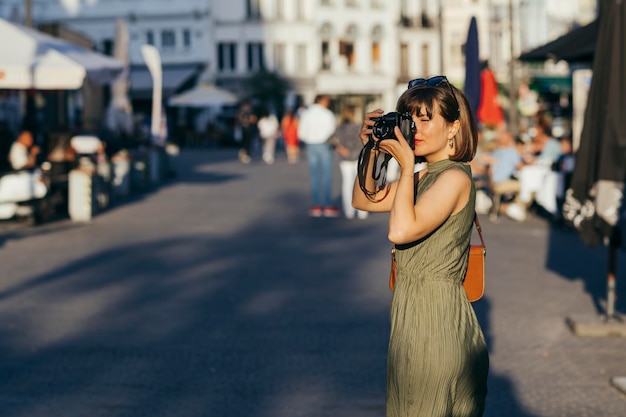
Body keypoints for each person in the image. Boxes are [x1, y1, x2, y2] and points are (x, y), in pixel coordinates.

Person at [352, 76, 488, 416]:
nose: (416, 128)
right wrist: (372, 148)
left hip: (437, 322)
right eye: (410, 119)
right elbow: (364, 200)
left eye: (426, 118)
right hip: (410, 322)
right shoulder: (424, 177)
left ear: (455, 127)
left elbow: (400, 230)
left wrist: (407, 162)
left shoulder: (454, 177)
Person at [297, 94, 340, 217]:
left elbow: (301, 132)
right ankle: (327, 205)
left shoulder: (306, 113)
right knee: (326, 175)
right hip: (325, 144)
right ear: (321, 101)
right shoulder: (327, 114)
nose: (328, 103)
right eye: (327, 100)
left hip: (311, 144)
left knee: (314, 175)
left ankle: (316, 205)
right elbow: (332, 131)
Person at [327, 107, 368, 219]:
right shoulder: (358, 128)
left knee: (347, 184)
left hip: (345, 159)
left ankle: (349, 211)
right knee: (361, 184)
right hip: (358, 158)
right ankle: (362, 210)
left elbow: (330, 140)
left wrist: (341, 149)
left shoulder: (340, 128)